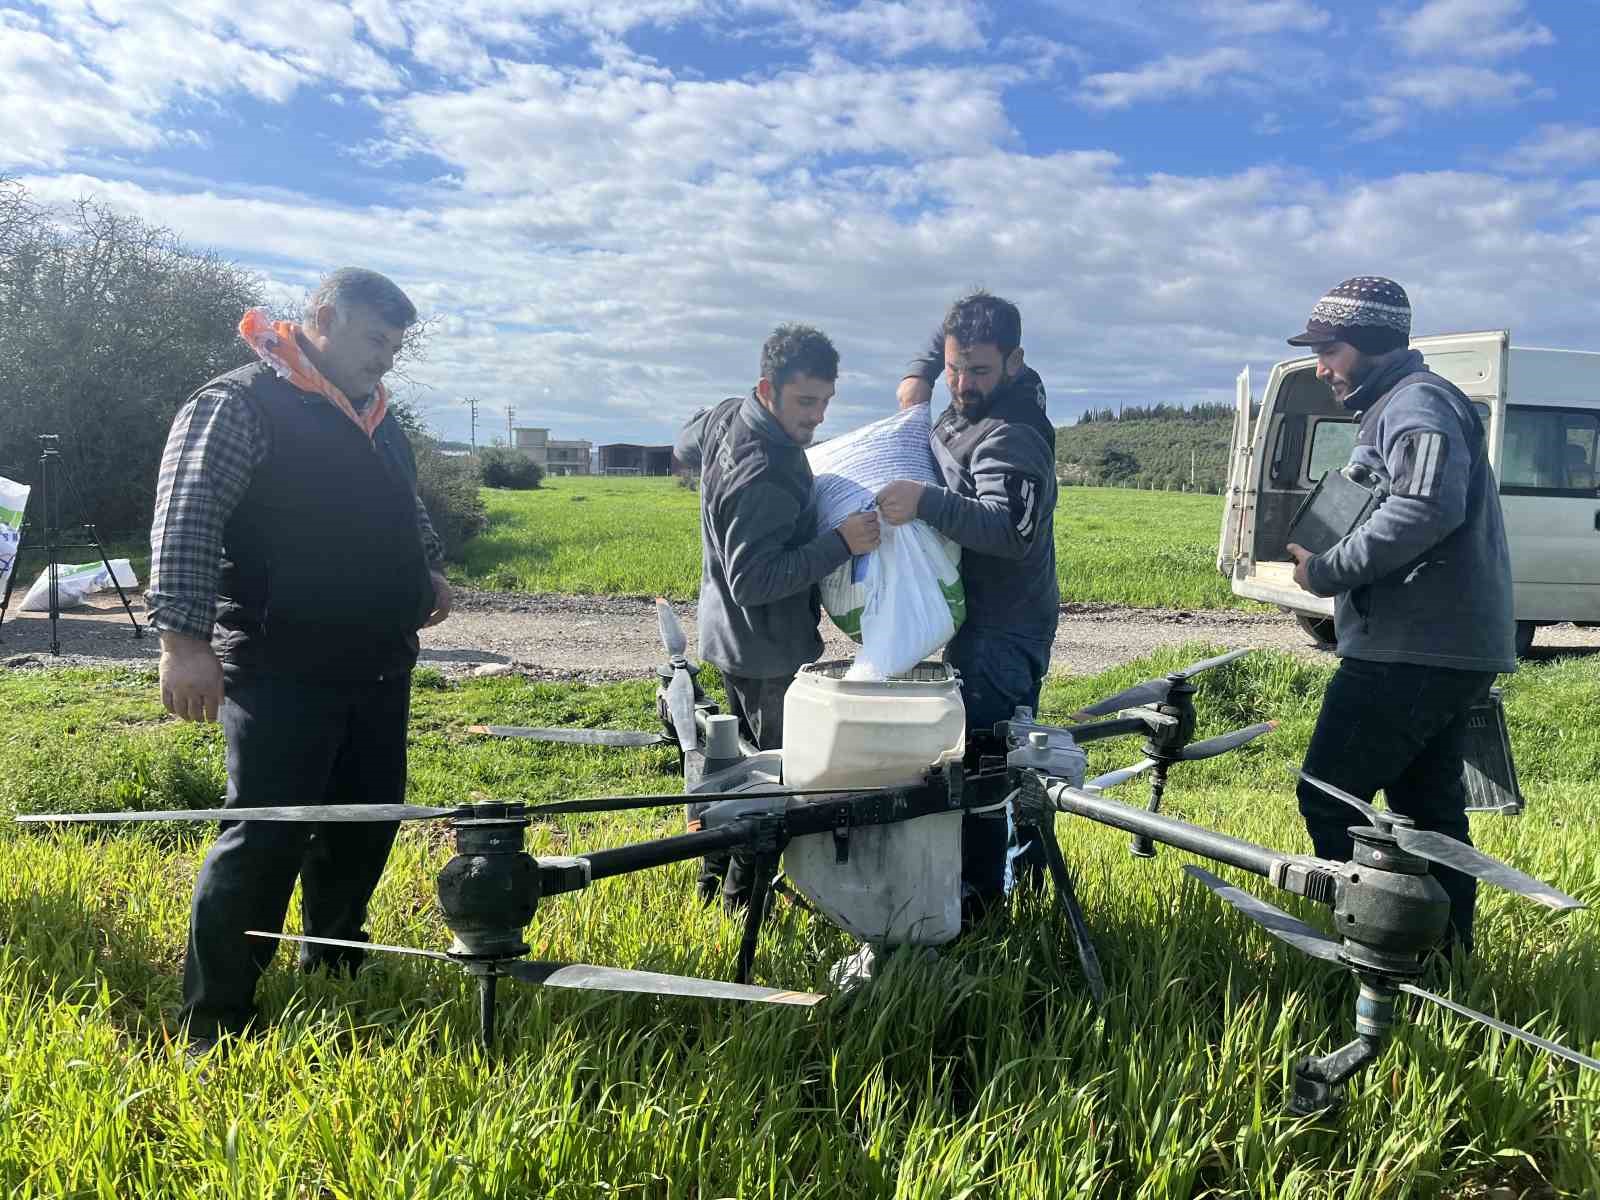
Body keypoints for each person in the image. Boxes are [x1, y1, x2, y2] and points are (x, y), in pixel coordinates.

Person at [147, 267, 453, 1050]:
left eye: (396, 346)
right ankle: (215, 1021)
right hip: (281, 665)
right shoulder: (242, 402)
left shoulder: (375, 418)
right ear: (322, 316)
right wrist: (183, 643)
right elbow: (187, 516)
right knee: (267, 836)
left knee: (363, 827)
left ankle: (334, 971)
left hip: (379, 664)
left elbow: (403, 504)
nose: (386, 358)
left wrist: (427, 568)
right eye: (374, 339)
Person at [1283, 276, 1515, 954]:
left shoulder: (1417, 404)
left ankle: (1377, 951)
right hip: (1437, 647)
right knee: (1428, 814)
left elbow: (1425, 508)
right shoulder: (1400, 404)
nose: (1322, 366)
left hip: (1415, 650)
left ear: (1371, 344)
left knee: (1330, 795)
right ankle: (1442, 961)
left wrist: (1324, 570)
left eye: (1330, 350)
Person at [673, 324, 880, 908]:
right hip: (764, 653)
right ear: (769, 389)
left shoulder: (726, 415)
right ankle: (743, 904)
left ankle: (711, 890)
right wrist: (842, 542)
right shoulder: (764, 468)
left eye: (824, 402)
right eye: (805, 402)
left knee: (727, 774)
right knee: (771, 791)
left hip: (726, 638)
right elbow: (754, 579)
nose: (817, 418)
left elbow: (685, 438)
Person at [876, 291, 1058, 916]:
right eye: (954, 367)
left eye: (977, 371)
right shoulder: (968, 373)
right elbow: (949, 332)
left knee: (990, 773)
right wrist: (919, 374)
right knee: (988, 759)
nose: (962, 383)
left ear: (1015, 362)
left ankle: (989, 906)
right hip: (977, 620)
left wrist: (926, 503)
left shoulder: (1014, 435)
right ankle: (1004, 890)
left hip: (1003, 631)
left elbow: (1011, 531)